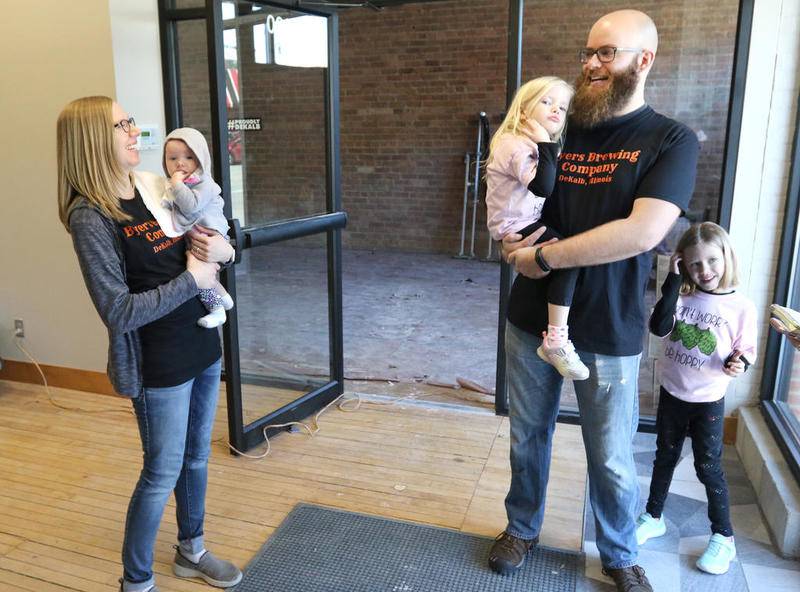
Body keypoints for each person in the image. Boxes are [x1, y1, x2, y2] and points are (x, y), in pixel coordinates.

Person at [490, 10, 700, 592]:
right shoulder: (561, 126)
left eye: (607, 53)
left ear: (644, 60)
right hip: (532, 316)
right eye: (588, 52)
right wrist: (509, 235)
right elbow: (511, 182)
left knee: (609, 453)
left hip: (610, 322)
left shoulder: (669, 140)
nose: (590, 64)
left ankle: (617, 551)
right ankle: (521, 528)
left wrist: (547, 258)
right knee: (526, 435)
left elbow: (643, 232)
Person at [57, 96, 243, 592]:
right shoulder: (90, 217)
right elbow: (117, 310)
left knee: (197, 457)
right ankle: (136, 582)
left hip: (201, 342)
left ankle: (191, 550)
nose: (134, 131)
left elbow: (206, 217)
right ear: (94, 140)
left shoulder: (151, 186)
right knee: (161, 472)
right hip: (157, 361)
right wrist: (194, 277)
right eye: (121, 125)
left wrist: (229, 249)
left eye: (131, 120)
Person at [635, 222, 757, 575]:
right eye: (695, 264)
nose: (705, 271)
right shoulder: (682, 297)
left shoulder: (741, 306)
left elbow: (745, 349)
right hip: (673, 393)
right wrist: (672, 282)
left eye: (712, 261)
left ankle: (723, 537)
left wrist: (740, 363)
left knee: (708, 467)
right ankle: (653, 515)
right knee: (664, 457)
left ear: (726, 258)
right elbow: (659, 327)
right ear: (683, 265)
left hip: (709, 400)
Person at [486, 76, 589, 380]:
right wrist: (546, 144)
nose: (556, 110)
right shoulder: (513, 144)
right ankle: (556, 340)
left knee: (561, 264)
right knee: (569, 259)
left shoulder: (528, 144)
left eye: (562, 106)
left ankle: (556, 333)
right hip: (518, 225)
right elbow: (544, 186)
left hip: (523, 222)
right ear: (523, 112)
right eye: (546, 102)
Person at [159, 128, 234, 329]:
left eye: (189, 157)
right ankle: (224, 297)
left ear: (201, 159)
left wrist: (176, 185)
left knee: (197, 274)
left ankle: (217, 309)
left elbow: (190, 205)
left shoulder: (203, 183)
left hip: (211, 235)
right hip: (198, 236)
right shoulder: (179, 184)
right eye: (172, 158)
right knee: (203, 271)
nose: (180, 163)